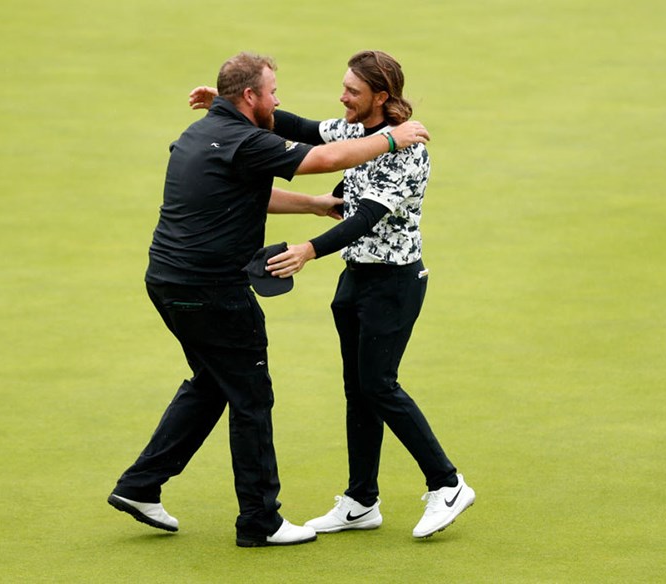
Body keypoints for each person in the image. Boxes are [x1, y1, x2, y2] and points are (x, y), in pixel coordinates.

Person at [107, 52, 431, 548]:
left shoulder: (203, 133)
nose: (279, 100)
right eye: (272, 92)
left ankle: (140, 485)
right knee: (251, 396)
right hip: (211, 290)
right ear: (251, 98)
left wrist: (314, 205)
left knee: (212, 383)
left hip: (168, 283)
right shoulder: (248, 140)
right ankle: (260, 520)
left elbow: (250, 191)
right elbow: (322, 157)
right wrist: (391, 137)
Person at [190, 49, 474, 540]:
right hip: (356, 280)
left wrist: (308, 250)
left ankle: (447, 483)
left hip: (394, 282)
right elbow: (298, 127)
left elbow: (364, 218)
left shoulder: (408, 150)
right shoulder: (352, 130)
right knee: (357, 391)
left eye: (353, 91)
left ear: (381, 97)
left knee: (379, 385)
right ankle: (362, 500)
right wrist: (229, 101)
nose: (342, 96)